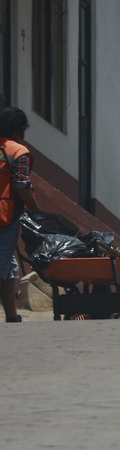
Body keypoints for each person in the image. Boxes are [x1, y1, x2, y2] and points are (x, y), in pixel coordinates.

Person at [0, 107, 40, 323]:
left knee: (10, 267)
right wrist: (36, 209)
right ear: (18, 132)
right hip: (5, 217)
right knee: (1, 263)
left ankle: (12, 316)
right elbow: (22, 185)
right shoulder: (19, 151)